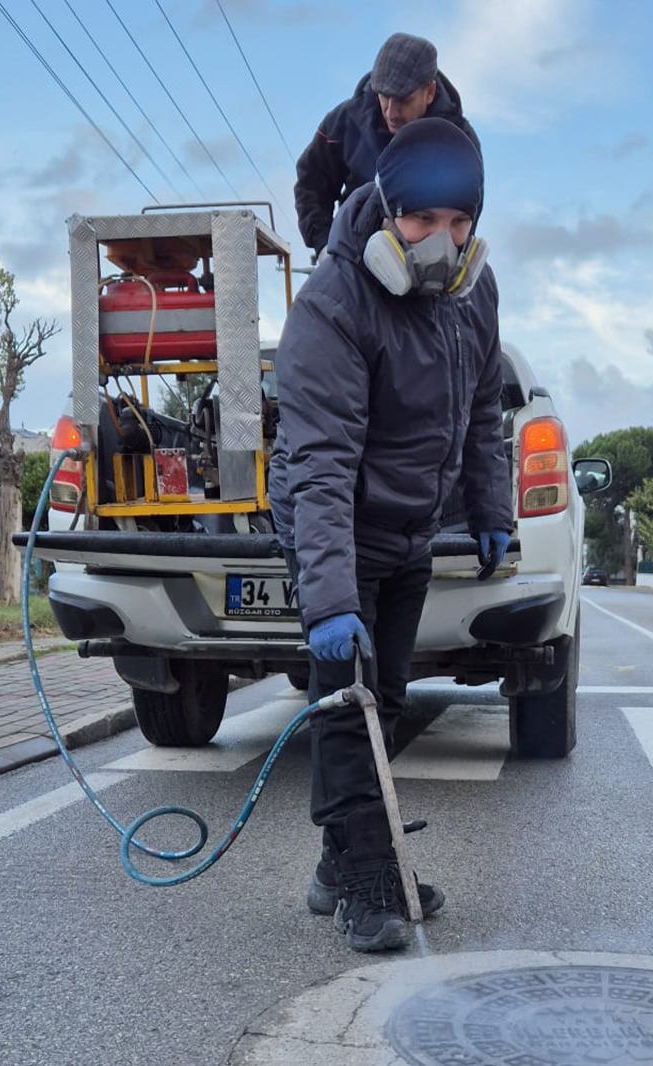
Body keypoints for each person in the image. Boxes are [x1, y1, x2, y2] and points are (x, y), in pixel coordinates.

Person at [269, 118, 512, 952]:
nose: (441, 242)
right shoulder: (333, 306)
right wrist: (330, 595)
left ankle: (341, 863)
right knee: (348, 702)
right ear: (385, 213)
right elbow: (322, 464)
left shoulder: (474, 295)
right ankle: (367, 878)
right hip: (329, 519)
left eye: (458, 223)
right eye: (421, 222)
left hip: (408, 528)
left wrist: (491, 510)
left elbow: (483, 410)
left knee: (390, 699)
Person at [293, 32, 480, 260]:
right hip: (353, 262)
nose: (390, 112)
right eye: (384, 96)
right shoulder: (344, 122)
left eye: (403, 100)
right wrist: (324, 245)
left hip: (429, 267)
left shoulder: (460, 142)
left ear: (429, 92)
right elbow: (311, 184)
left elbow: (468, 215)